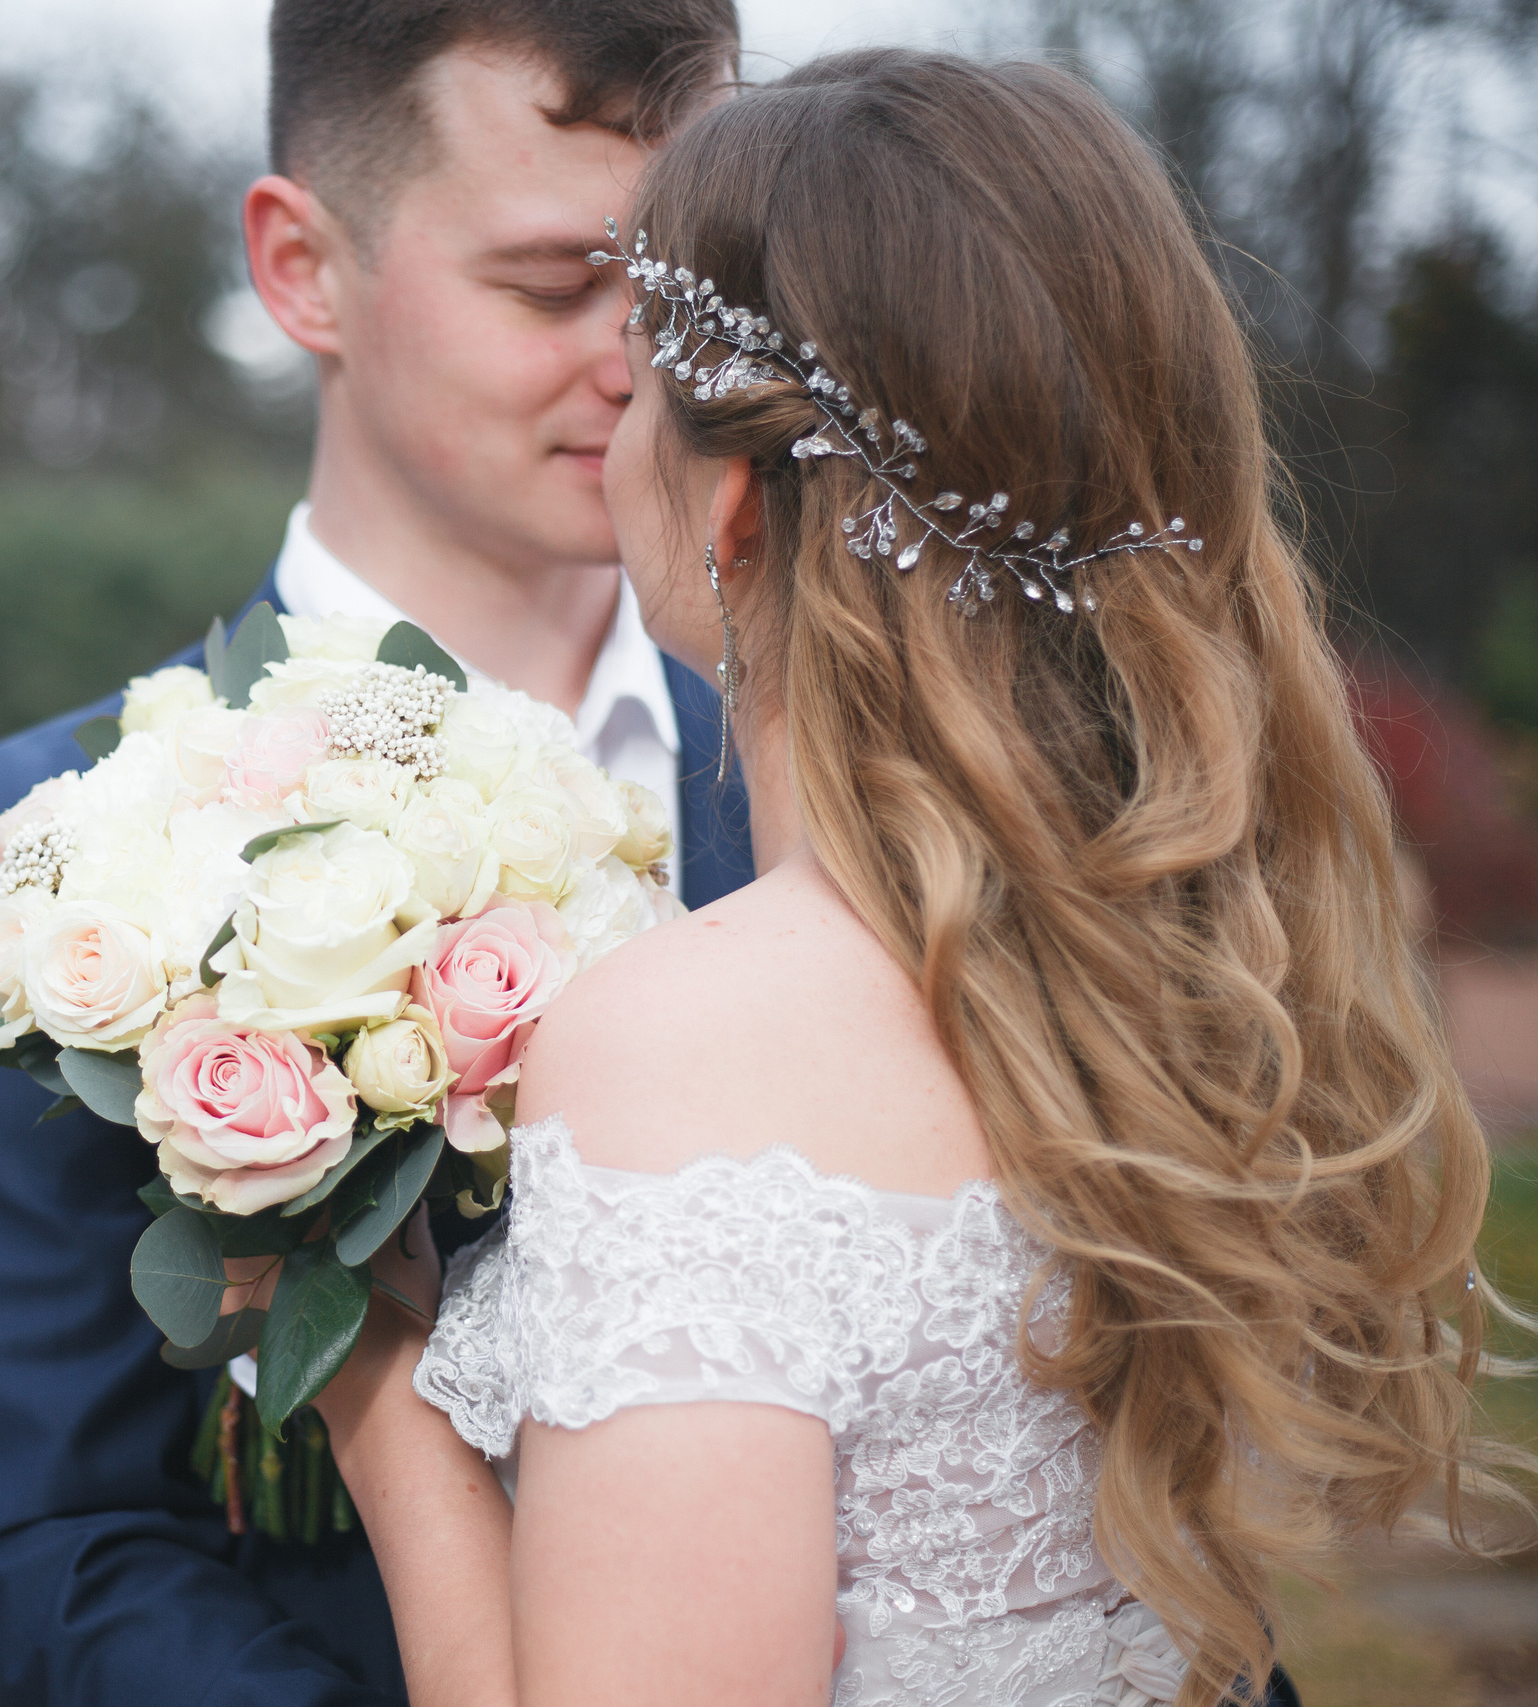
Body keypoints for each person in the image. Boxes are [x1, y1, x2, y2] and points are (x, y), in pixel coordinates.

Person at [308, 45, 1529, 1707]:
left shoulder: (686, 1046)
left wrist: (378, 1394)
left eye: (641, 364)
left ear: (732, 502)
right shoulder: (1183, 963)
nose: (606, 403)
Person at [0, 3, 748, 1702]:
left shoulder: (862, 794)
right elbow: (28, 1555)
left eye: (694, 285)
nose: (646, 359)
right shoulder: (29, 863)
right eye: (558, 282)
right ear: (301, 269)